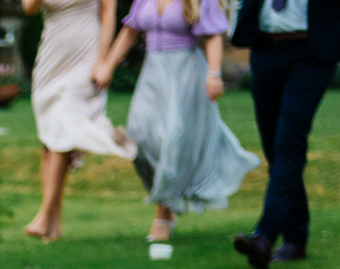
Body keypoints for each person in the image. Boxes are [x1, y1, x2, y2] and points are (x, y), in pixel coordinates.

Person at [95, 0, 258, 242]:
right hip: (152, 75)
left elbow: (213, 35)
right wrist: (108, 65)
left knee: (172, 142)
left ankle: (163, 214)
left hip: (185, 75)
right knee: (138, 138)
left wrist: (214, 74)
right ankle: (168, 197)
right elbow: (130, 30)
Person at [228, 0, 340, 268]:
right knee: (274, 148)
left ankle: (265, 235)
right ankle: (295, 238)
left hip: (310, 52)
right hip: (265, 49)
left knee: (288, 141)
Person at [22, 0, 135, 242]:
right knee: (49, 140)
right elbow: (29, 8)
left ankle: (44, 214)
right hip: (52, 56)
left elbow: (108, 11)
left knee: (64, 125)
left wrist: (103, 61)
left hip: (86, 53)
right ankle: (53, 226)